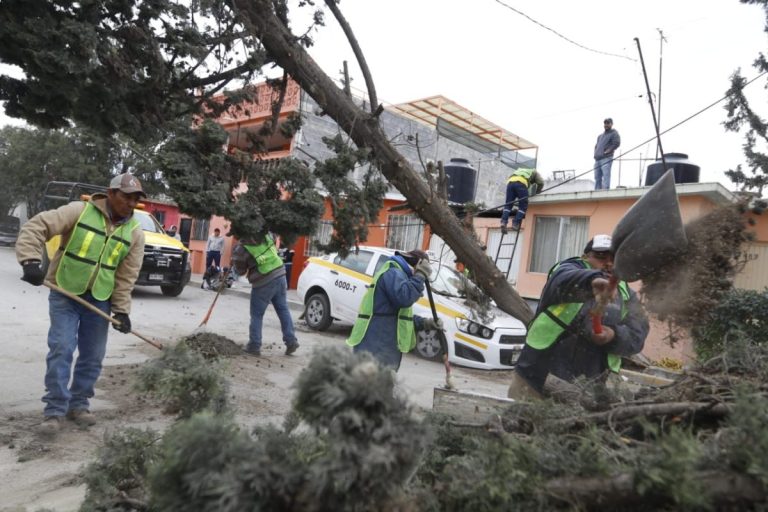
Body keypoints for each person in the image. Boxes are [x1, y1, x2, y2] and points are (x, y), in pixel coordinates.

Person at [15, 173, 146, 435]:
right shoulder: (79, 211)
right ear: (111, 194)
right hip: (65, 291)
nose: (130, 204)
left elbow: (126, 276)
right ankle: (54, 410)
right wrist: (30, 260)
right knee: (62, 349)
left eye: (135, 199)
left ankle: (79, 404)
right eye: (126, 197)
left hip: (100, 299)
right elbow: (37, 225)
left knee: (93, 356)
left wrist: (122, 310)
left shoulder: (135, 233)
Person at [508, 234, 649, 400]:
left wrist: (613, 336)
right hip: (535, 376)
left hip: (587, 389)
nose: (609, 263)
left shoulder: (627, 295)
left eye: (614, 258)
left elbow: (637, 336)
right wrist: (592, 280)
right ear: (585, 257)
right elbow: (562, 281)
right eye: (600, 256)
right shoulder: (567, 270)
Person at [346, 249, 443, 371]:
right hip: (376, 346)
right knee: (370, 387)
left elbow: (399, 318)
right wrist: (420, 275)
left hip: (381, 345)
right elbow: (405, 297)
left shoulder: (399, 276)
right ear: (416, 266)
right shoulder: (393, 273)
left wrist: (425, 323)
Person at [232, 233, 299, 357]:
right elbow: (273, 240)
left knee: (257, 314)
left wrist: (235, 263)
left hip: (264, 280)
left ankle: (254, 345)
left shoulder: (242, 247)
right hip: (280, 274)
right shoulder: (266, 233)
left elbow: (240, 271)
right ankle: (291, 341)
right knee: (283, 309)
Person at [500, 167, 544, 234]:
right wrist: (538, 191)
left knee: (508, 205)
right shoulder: (535, 172)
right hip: (521, 184)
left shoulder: (519, 170)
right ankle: (515, 223)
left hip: (510, 183)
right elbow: (541, 182)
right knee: (523, 206)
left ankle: (503, 222)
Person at [593, 118, 621, 190]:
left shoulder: (614, 133)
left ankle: (606, 190)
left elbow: (617, 143)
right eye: (605, 123)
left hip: (606, 158)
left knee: (606, 175)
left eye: (608, 123)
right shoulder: (600, 136)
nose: (606, 125)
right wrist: (595, 154)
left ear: (611, 124)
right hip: (597, 159)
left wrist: (608, 151)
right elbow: (596, 146)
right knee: (597, 177)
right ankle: (597, 191)